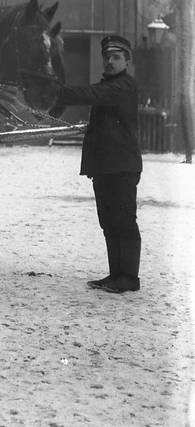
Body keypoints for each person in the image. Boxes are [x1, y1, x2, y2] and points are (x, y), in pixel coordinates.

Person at [55, 35, 142, 294]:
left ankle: (129, 277)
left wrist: (56, 91)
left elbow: (92, 94)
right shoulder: (109, 86)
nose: (110, 61)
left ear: (127, 61)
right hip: (105, 167)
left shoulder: (124, 86)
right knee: (109, 222)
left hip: (122, 167)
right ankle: (116, 274)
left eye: (116, 57)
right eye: (107, 57)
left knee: (124, 221)